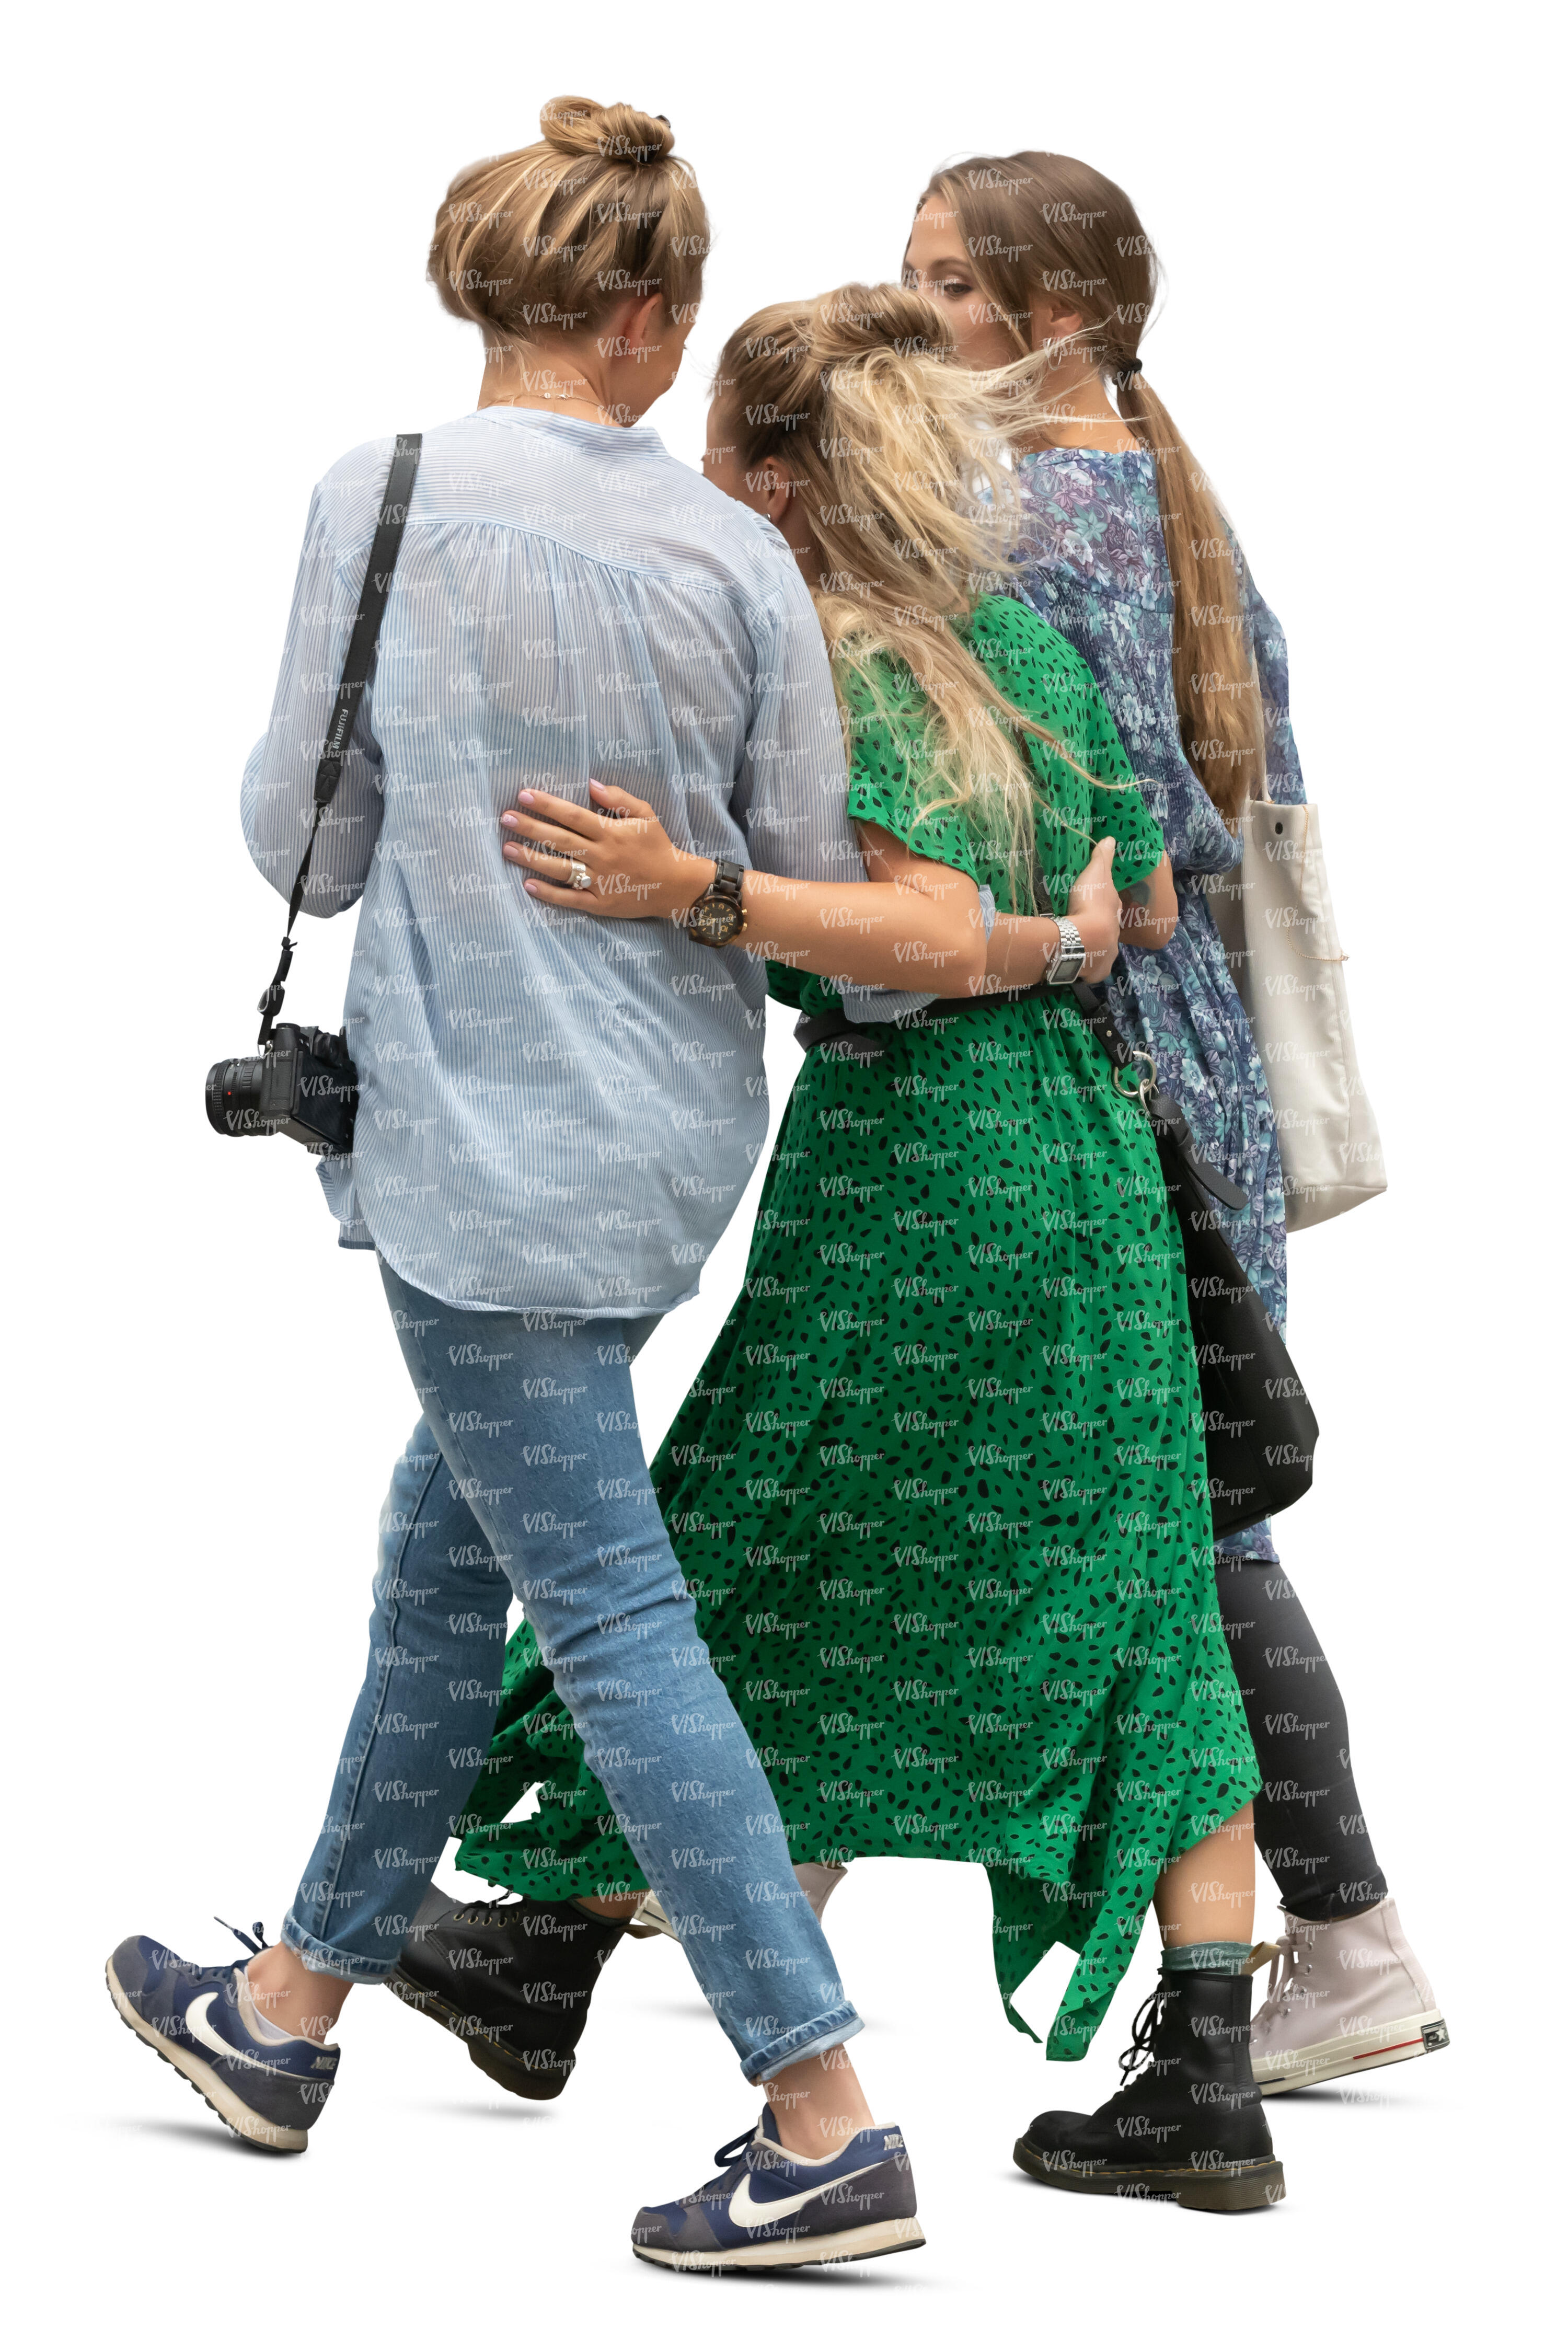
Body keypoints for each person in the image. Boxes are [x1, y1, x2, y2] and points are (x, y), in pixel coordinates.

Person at [105, 100, 945, 2275]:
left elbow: (309, 839)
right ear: (652, 321)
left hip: (478, 1152)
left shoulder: (377, 493)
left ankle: (823, 2112)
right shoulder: (739, 557)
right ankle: (290, 2010)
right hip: (668, 1149)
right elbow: (800, 875)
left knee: (612, 1614)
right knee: (442, 1558)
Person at [395, 283, 1288, 2213]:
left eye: (724, 449)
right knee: (1137, 1596)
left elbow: (932, 931)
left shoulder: (844, 656)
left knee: (744, 1531)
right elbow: (1134, 906)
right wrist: (1059, 939)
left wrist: (695, 889)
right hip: (1086, 1156)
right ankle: (1209, 2070)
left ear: (784, 481)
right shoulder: (1020, 644)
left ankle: (553, 1945)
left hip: (924, 1156)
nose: (699, 478)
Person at [899, 149, 1446, 2094]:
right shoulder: (1170, 494)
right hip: (1195, 1040)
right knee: (1092, 1484)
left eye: (951, 288)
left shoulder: (1015, 519)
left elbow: (1017, 814)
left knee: (1184, 1516)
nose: (915, 320)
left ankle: (1350, 1934)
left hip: (1088, 1046)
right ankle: (731, 1871)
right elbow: (1254, 768)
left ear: (1057, 317)